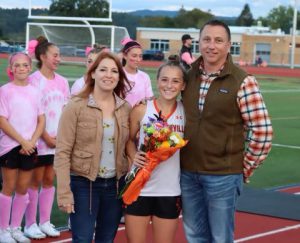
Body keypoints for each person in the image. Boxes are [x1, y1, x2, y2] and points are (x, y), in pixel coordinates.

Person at [180, 20, 273, 243]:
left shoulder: (243, 81)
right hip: (187, 174)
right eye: (207, 39)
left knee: (220, 237)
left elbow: (263, 132)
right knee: (194, 235)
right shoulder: (187, 75)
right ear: (199, 42)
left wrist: (243, 169)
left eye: (218, 40)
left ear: (229, 45)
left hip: (223, 176)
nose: (212, 45)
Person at [54, 51, 132, 243]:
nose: (109, 75)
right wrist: (64, 193)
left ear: (119, 77)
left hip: (115, 186)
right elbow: (62, 151)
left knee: (106, 239)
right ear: (93, 73)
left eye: (114, 71)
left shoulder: (125, 108)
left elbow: (129, 146)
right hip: (83, 185)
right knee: (82, 239)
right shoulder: (75, 106)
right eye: (103, 69)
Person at [124, 58, 186, 243]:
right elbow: (128, 140)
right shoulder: (142, 109)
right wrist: (134, 156)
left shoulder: (186, 112)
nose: (169, 85)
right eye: (164, 79)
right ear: (157, 81)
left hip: (169, 191)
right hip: (139, 189)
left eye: (175, 81)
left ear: (183, 85)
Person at [24, 36, 70, 239]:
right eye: (55, 55)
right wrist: (45, 137)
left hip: (57, 141)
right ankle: (30, 224)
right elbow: (33, 112)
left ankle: (45, 221)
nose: (58, 59)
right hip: (38, 140)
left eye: (59, 55)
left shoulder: (62, 81)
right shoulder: (33, 80)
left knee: (50, 180)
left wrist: (60, 137)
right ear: (43, 57)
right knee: (34, 182)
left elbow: (66, 110)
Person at [0, 52, 45, 243]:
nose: (21, 68)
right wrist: (22, 141)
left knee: (22, 188)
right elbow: (2, 120)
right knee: (8, 187)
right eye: (16, 65)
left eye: (24, 65)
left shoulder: (36, 91)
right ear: (11, 69)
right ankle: (3, 230)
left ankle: (16, 227)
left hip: (30, 146)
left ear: (30, 67)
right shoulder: (4, 90)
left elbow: (41, 119)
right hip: (10, 146)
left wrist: (32, 141)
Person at [121, 37, 154, 107]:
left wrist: (146, 100)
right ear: (124, 55)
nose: (138, 59)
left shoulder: (145, 76)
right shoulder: (117, 74)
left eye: (140, 56)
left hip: (139, 116)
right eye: (134, 56)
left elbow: (150, 98)